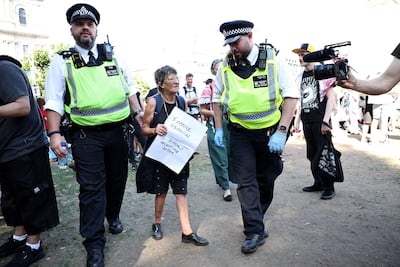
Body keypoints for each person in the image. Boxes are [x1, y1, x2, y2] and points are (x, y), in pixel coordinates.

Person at [44, 3, 144, 266]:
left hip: (118, 132)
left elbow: (130, 88)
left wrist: (139, 113)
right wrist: (54, 134)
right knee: (91, 189)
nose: (85, 27)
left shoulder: (115, 55)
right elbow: (53, 101)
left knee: (117, 179)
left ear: (97, 29)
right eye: (79, 24)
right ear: (72, 31)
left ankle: (113, 214)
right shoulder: (61, 60)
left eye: (89, 23)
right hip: (85, 136)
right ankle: (94, 244)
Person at [212, 20, 299, 254]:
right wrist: (219, 128)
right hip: (240, 133)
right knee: (246, 181)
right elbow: (216, 98)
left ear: (250, 36)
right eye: (228, 44)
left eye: (236, 42)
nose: (232, 48)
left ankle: (256, 219)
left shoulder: (273, 59)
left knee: (267, 177)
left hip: (270, 132)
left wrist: (282, 132)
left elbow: (291, 95)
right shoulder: (226, 65)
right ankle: (253, 231)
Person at [0, 55, 59, 266]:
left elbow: (22, 106)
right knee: (12, 200)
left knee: (31, 198)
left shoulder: (4, 68)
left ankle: (34, 246)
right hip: (7, 151)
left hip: (26, 147)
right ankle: (19, 238)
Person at [139, 65, 209, 246]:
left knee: (181, 192)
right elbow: (144, 128)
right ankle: (156, 223)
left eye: (177, 77)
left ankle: (187, 232)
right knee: (161, 192)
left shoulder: (181, 100)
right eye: (171, 78)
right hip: (160, 155)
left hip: (178, 155)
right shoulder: (153, 102)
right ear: (161, 84)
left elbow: (183, 126)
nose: (176, 81)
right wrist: (155, 129)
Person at [292, 43, 339, 200]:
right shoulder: (300, 75)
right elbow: (301, 100)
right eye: (299, 55)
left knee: (324, 153)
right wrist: (297, 121)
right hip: (307, 119)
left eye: (304, 54)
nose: (300, 58)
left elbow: (331, 98)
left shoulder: (323, 72)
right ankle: (318, 182)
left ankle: (329, 186)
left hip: (320, 119)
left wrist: (326, 121)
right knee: (312, 154)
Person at [199, 59, 236, 201]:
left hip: (233, 126)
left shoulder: (234, 84)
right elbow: (202, 110)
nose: (222, 70)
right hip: (215, 127)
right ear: (214, 72)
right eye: (218, 68)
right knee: (220, 157)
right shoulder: (209, 88)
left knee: (233, 155)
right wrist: (217, 114)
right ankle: (226, 187)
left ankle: (232, 180)